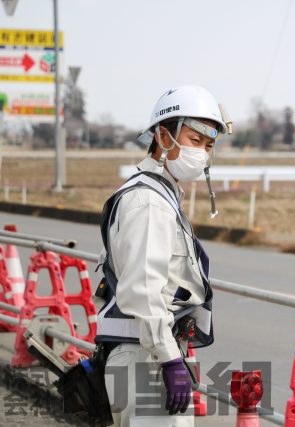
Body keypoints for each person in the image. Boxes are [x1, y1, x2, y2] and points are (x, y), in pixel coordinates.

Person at [94, 85, 232, 427]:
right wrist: (170, 360)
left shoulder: (157, 193)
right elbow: (141, 289)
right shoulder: (149, 202)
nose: (201, 152)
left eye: (208, 145)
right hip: (147, 358)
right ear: (162, 135)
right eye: (194, 140)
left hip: (148, 351)